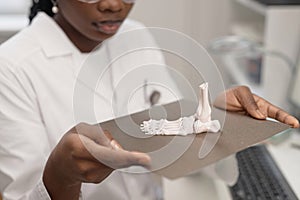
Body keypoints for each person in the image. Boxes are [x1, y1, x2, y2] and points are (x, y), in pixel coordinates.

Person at [0, 0, 298, 199]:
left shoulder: (137, 36)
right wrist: (59, 177)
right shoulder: (12, 66)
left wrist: (212, 118)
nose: (113, 4)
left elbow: (169, 138)